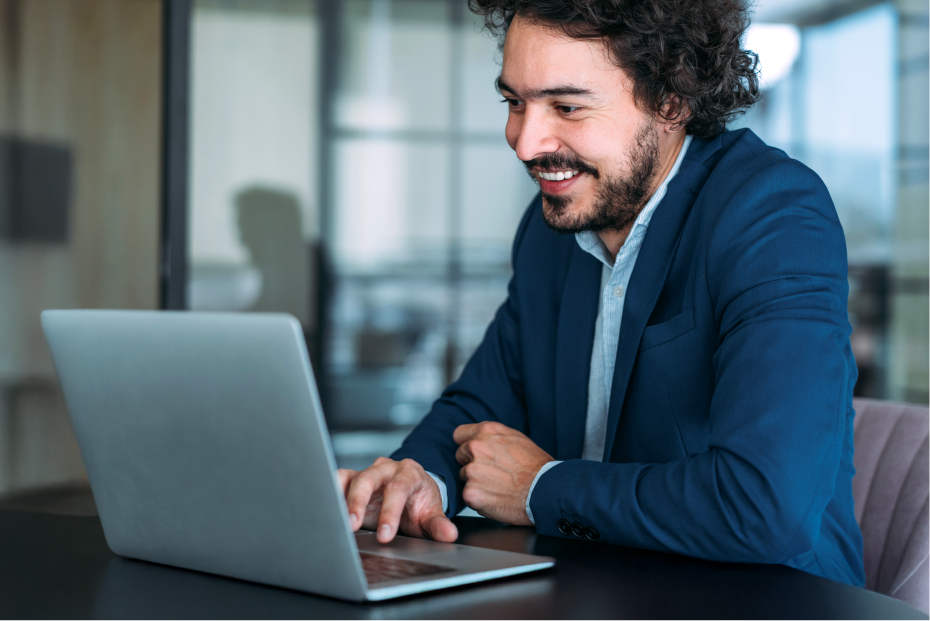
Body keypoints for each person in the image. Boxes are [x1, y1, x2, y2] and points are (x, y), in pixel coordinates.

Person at [337, 0, 865, 587]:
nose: (525, 142)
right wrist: (419, 476)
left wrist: (540, 487)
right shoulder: (551, 231)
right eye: (514, 102)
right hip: (596, 587)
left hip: (766, 598)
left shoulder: (772, 215)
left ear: (672, 98)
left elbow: (766, 507)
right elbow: (480, 406)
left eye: (566, 106)